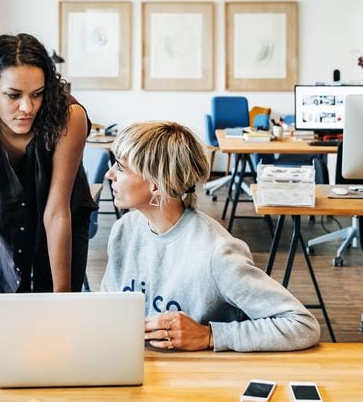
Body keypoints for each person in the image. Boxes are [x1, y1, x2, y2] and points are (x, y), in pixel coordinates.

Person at [101, 121, 320, 352]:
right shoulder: (123, 230)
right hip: (133, 364)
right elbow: (106, 307)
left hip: (197, 378)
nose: (109, 174)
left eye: (121, 168)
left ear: (156, 184)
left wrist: (209, 335)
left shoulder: (217, 252)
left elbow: (302, 325)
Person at [0, 33, 96, 340]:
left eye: (37, 94)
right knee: (8, 325)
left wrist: (62, 302)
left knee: (56, 334)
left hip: (61, 222)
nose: (27, 107)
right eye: (13, 96)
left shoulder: (69, 117)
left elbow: (57, 212)